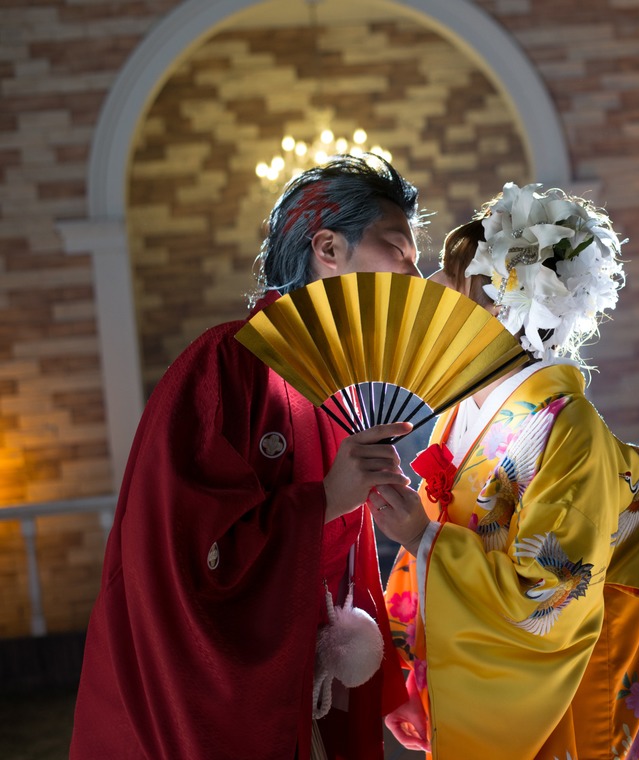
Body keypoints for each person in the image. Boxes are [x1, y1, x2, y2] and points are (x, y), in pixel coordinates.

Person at [72, 155, 423, 760]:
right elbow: (181, 559)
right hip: (223, 699)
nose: (417, 273)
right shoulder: (225, 365)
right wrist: (325, 503)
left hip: (305, 684)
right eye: (399, 249)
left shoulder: (338, 389)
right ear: (329, 249)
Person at [371, 183, 639, 759]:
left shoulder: (569, 425)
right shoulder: (462, 411)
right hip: (474, 680)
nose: (435, 287)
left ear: (503, 304)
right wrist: (407, 670)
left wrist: (421, 535)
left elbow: (549, 595)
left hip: (543, 705)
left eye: (455, 278)